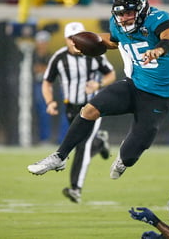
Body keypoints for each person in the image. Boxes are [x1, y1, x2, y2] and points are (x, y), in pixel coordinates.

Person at [27, 0, 169, 180]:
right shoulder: (117, 24)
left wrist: (159, 50)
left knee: (131, 154)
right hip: (133, 85)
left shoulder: (156, 18)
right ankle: (60, 156)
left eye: (129, 13)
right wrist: (91, 42)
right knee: (89, 110)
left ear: (141, 9)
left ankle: (124, 159)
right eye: (121, 14)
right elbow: (114, 42)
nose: (124, 18)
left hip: (158, 97)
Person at [39, 22, 116, 203]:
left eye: (78, 38)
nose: (75, 43)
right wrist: (49, 102)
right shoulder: (59, 57)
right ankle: (99, 143)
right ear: (66, 40)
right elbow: (47, 82)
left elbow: (110, 74)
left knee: (82, 146)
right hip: (71, 107)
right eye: (71, 39)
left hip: (93, 106)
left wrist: (98, 85)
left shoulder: (95, 54)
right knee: (82, 144)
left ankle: (76, 188)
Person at [32, 30, 53, 144]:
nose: (43, 44)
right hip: (32, 85)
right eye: (41, 41)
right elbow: (34, 69)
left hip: (44, 85)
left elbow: (48, 70)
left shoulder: (49, 56)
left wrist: (41, 68)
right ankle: (32, 137)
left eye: (45, 42)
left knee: (45, 111)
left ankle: (44, 138)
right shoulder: (32, 55)